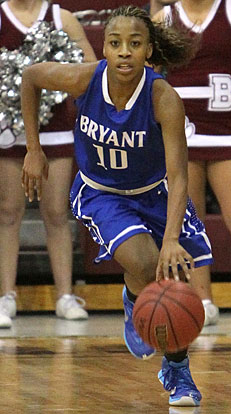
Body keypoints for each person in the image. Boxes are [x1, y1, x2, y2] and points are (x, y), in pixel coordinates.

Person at [21, 6, 213, 407]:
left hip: (155, 194)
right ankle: (142, 314)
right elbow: (30, 77)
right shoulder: (84, 79)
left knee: (174, 277)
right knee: (145, 264)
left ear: (149, 51)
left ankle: (175, 367)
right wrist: (34, 150)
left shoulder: (163, 99)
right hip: (101, 193)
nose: (124, 51)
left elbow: (179, 176)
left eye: (135, 43)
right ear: (104, 48)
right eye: (115, 43)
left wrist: (174, 238)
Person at [0, 0, 97, 328]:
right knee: (8, 211)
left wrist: (58, 76)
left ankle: (65, 295)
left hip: (56, 127)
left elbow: (91, 67)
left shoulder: (62, 17)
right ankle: (5, 296)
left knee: (57, 212)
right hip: (9, 130)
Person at [151, 0, 231, 326]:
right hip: (179, 136)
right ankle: (202, 301)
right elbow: (148, 74)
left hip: (226, 134)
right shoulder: (164, 18)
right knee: (189, 223)